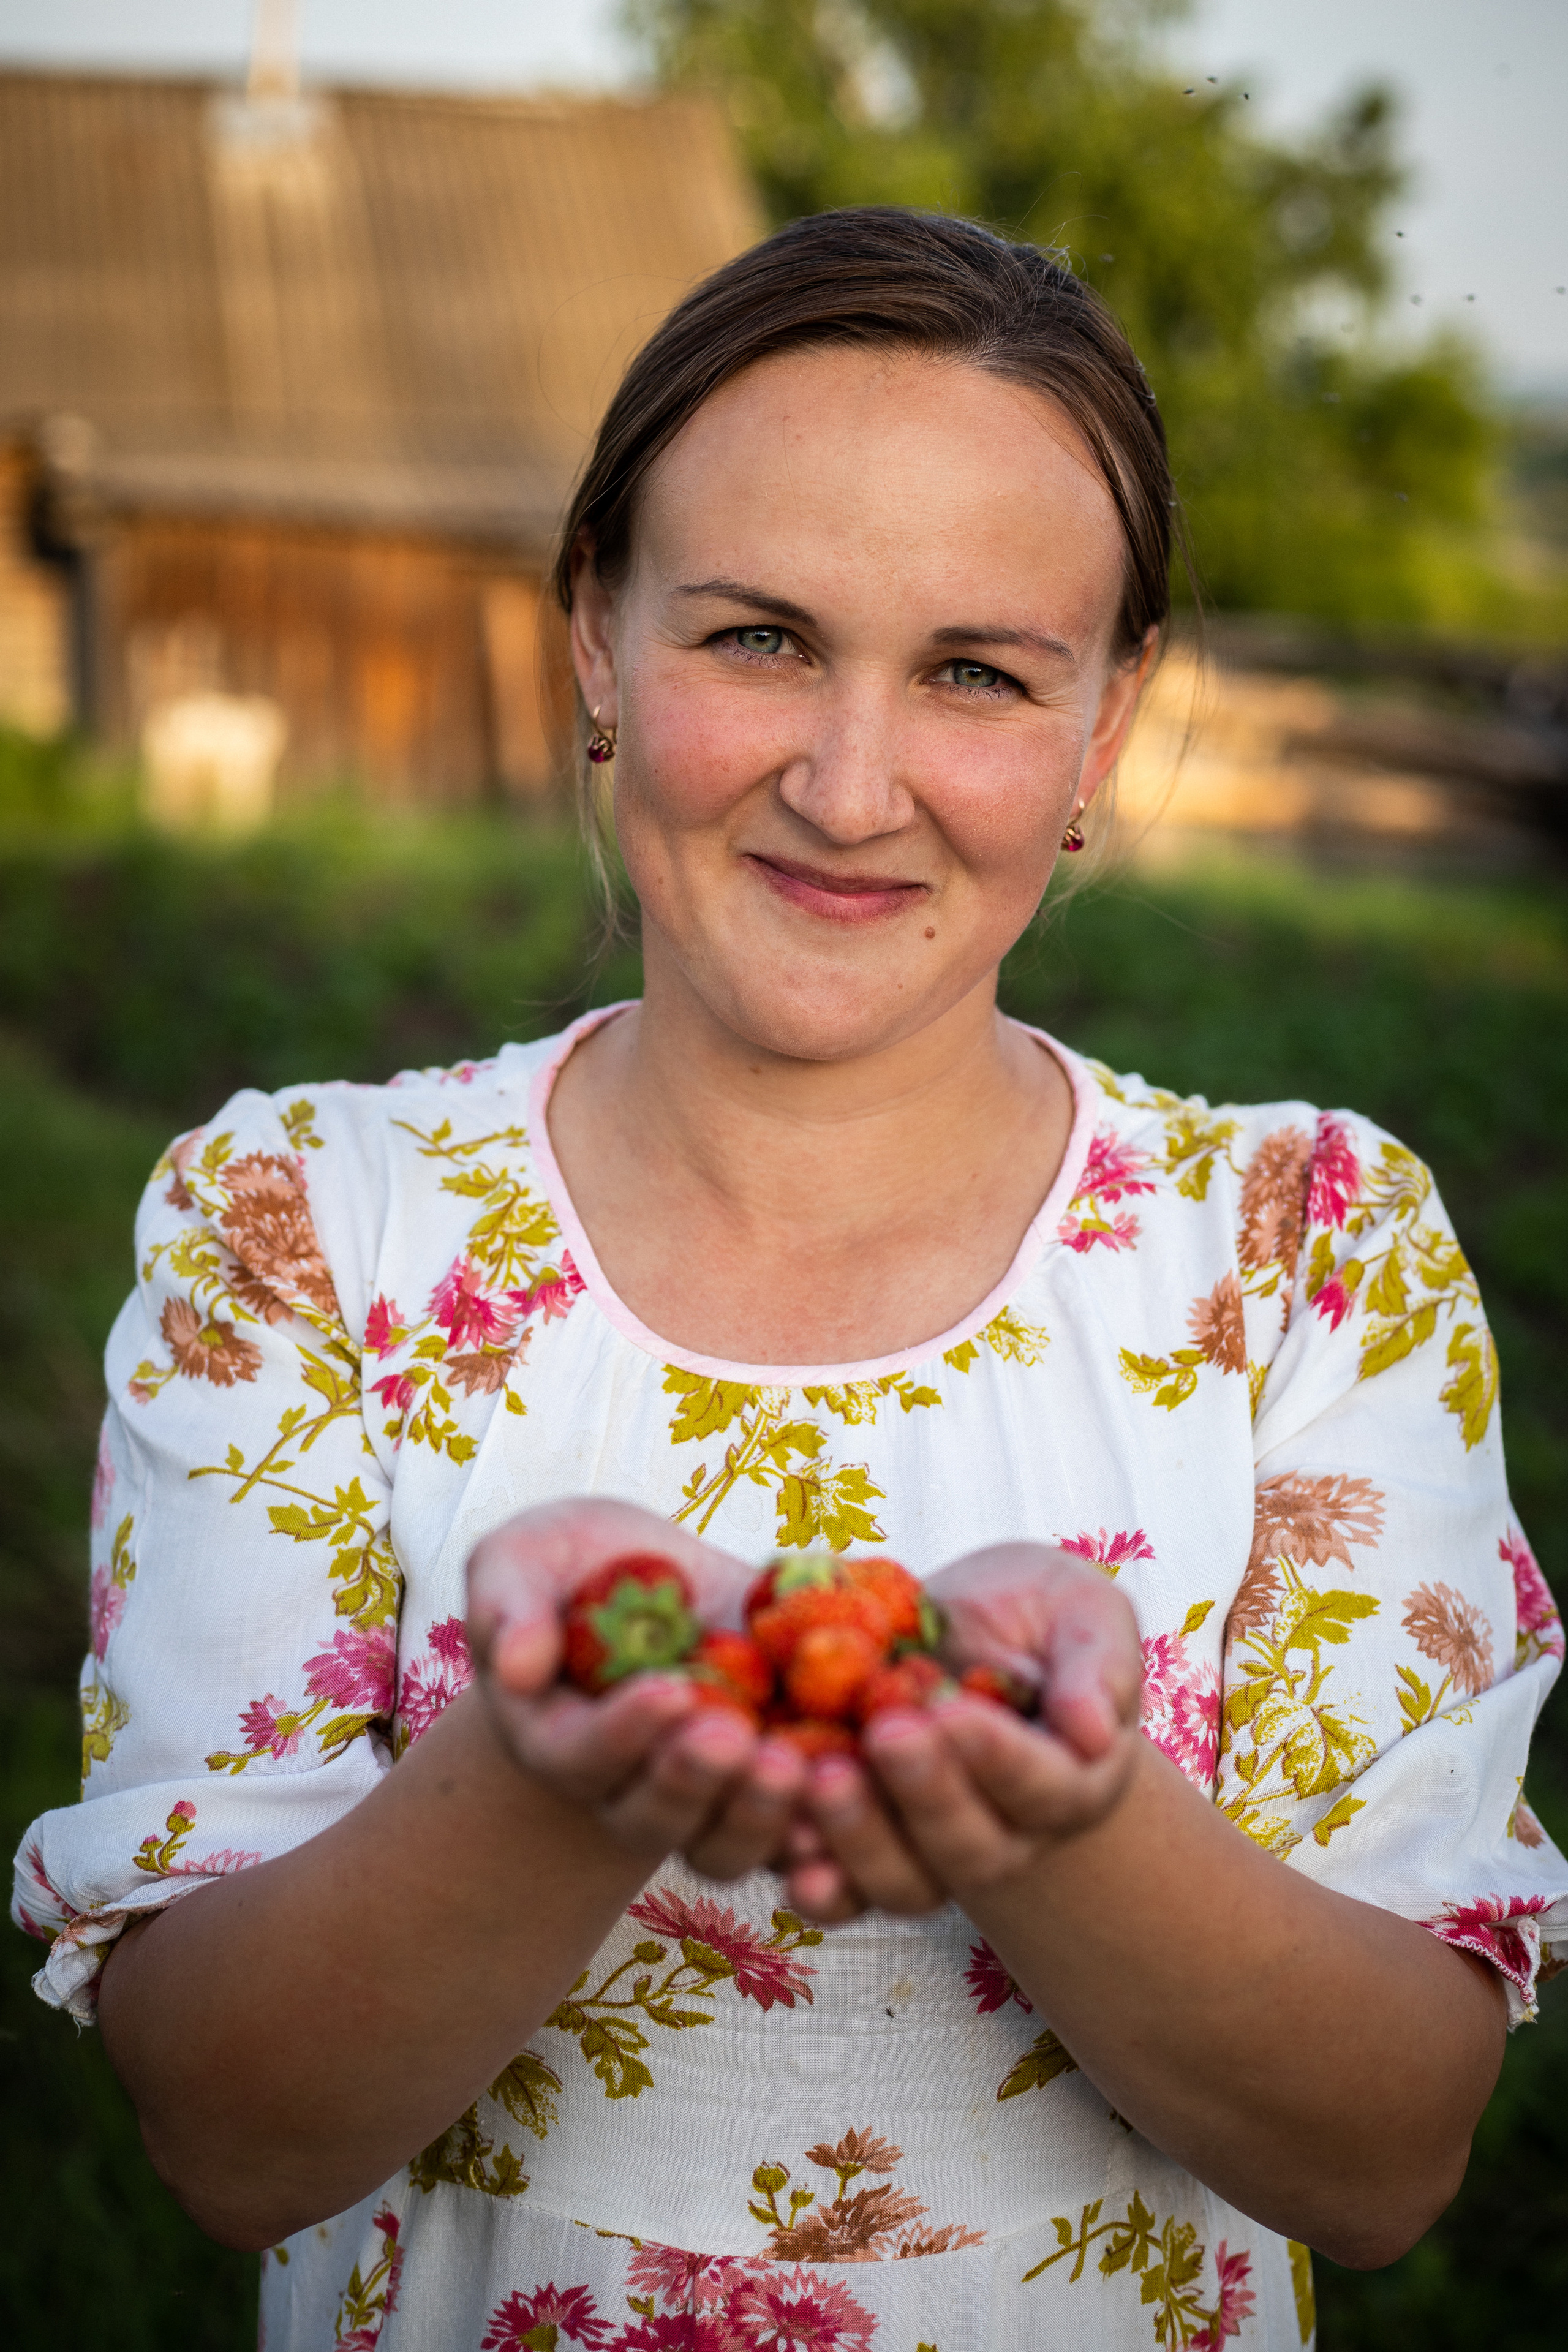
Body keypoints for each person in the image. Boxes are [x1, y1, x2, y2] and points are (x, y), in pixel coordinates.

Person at [13, 210, 1567, 2352]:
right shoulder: (300, 1229)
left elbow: (1384, 2161)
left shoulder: (1309, 1256)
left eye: (978, 673)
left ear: (1108, 721)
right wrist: (550, 1766)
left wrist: (1055, 1811)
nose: (849, 789)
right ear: (594, 635)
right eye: (758, 638)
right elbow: (232, 2134)